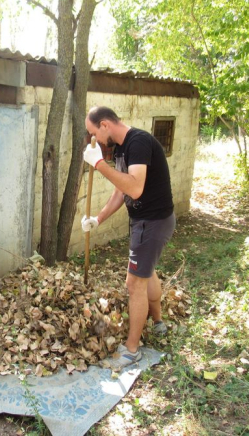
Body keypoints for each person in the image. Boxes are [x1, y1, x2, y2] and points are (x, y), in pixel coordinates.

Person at [81, 106, 176, 369]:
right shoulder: (122, 148)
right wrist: (98, 219)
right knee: (147, 272)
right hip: (145, 222)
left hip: (153, 223)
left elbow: (134, 188)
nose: (96, 140)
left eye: (94, 133)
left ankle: (132, 350)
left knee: (134, 284)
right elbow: (120, 191)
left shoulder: (139, 142)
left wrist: (99, 164)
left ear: (104, 125)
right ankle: (158, 322)